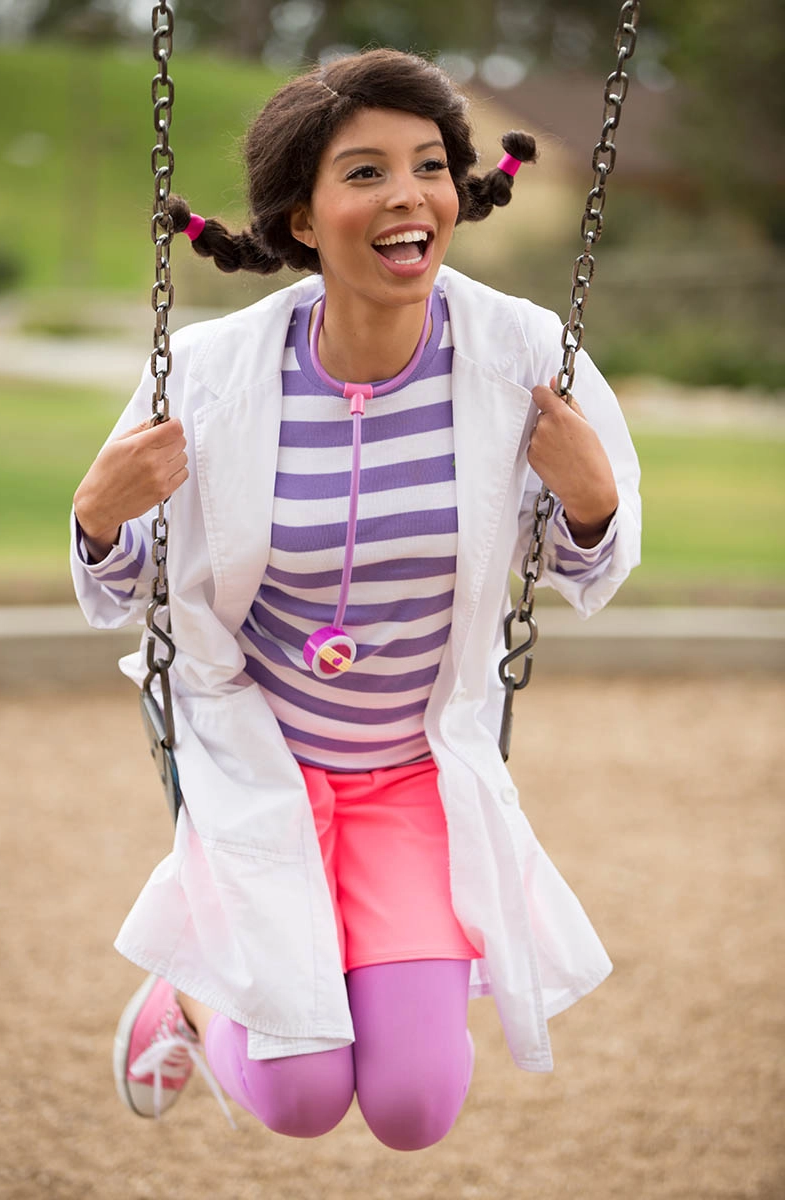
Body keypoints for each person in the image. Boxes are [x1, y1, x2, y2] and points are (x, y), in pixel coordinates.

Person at [71, 47, 641, 1151]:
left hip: (413, 777)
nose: (407, 196)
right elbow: (128, 584)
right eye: (365, 172)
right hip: (259, 766)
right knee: (298, 1098)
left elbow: (586, 568)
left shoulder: (522, 354)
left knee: (414, 1107)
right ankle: (184, 996)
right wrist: (98, 517)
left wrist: (589, 502)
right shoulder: (211, 372)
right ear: (301, 217)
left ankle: (221, 982)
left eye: (428, 166)